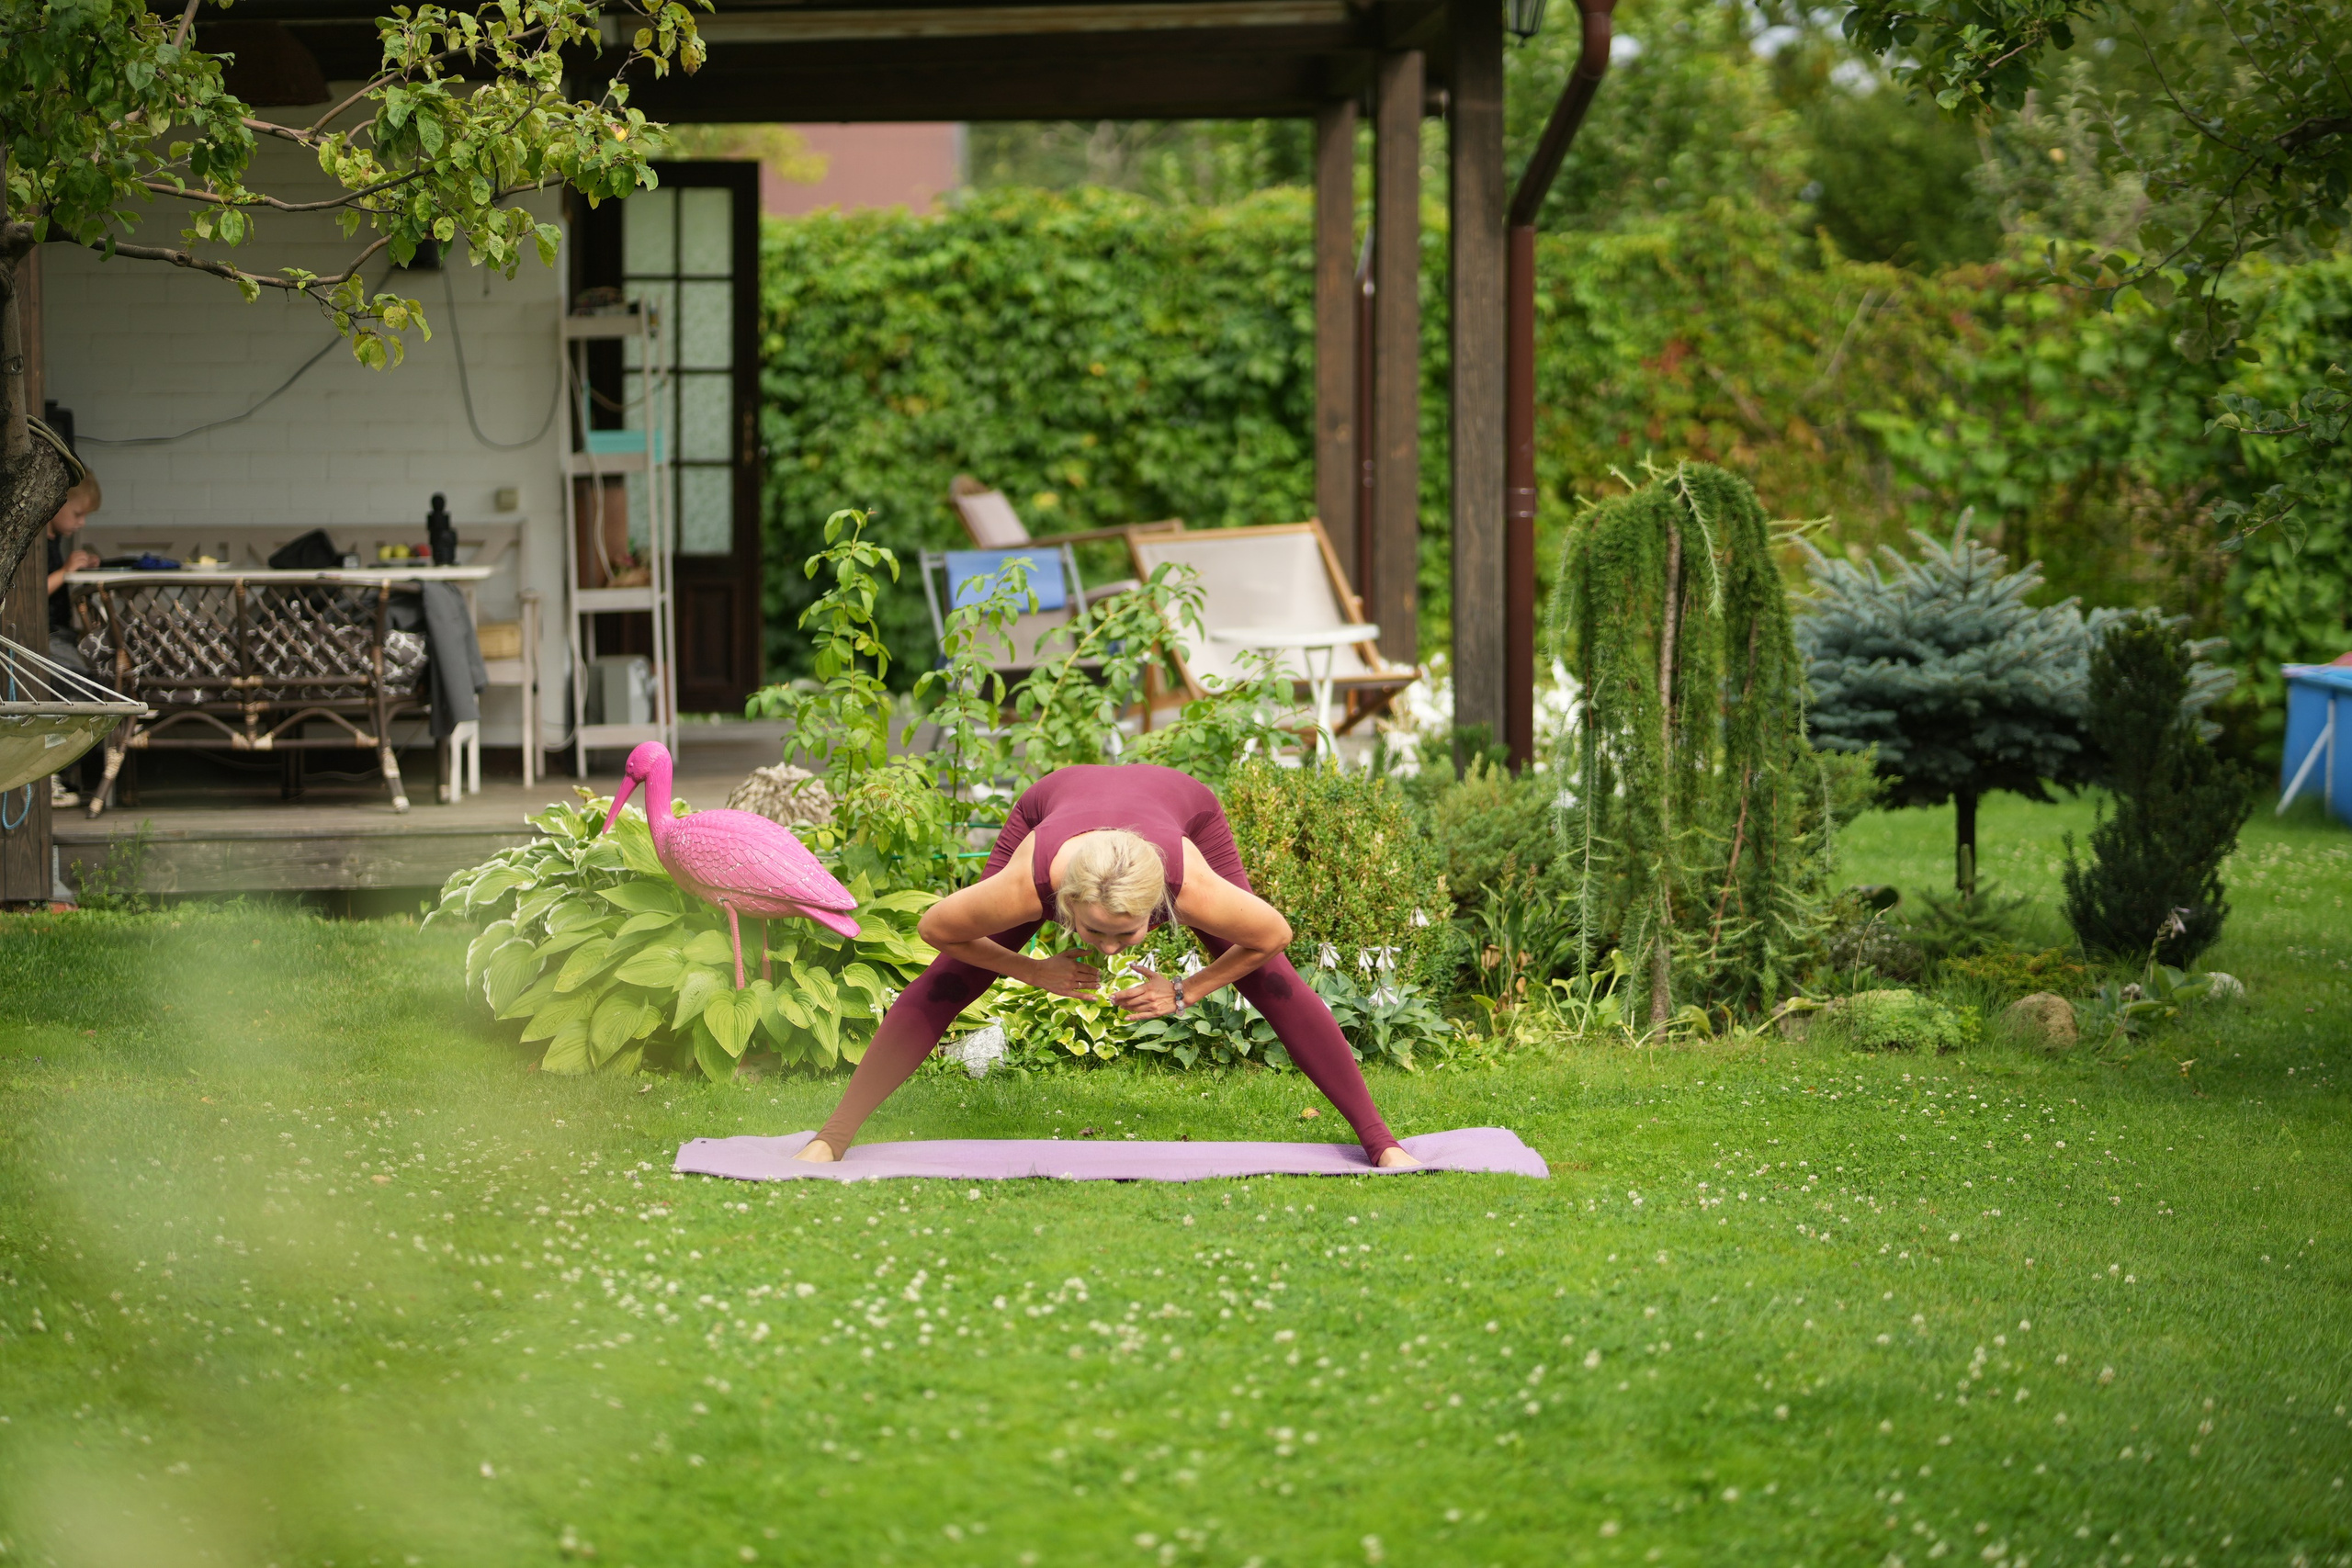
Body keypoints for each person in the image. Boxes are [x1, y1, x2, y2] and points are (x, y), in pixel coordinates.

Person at [795, 762, 1421, 1168]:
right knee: (956, 973)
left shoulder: (1188, 880)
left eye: (1128, 932)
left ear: (1160, 908)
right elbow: (938, 927)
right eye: (1096, 931)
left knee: (1266, 976)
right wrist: (1030, 968)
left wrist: (1187, 987)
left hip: (1183, 809)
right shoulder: (1031, 880)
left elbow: (1273, 934)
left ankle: (1381, 1141)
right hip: (1053, 802)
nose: (1112, 948)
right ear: (1064, 905)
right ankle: (834, 1134)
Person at [43, 472, 103, 808]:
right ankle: (51, 770)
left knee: (97, 674)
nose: (80, 524)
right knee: (76, 680)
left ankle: (72, 772)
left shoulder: (56, 542)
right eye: (77, 514)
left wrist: (77, 568)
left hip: (61, 632)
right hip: (42, 635)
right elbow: (30, 593)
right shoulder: (37, 541)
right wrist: (65, 571)